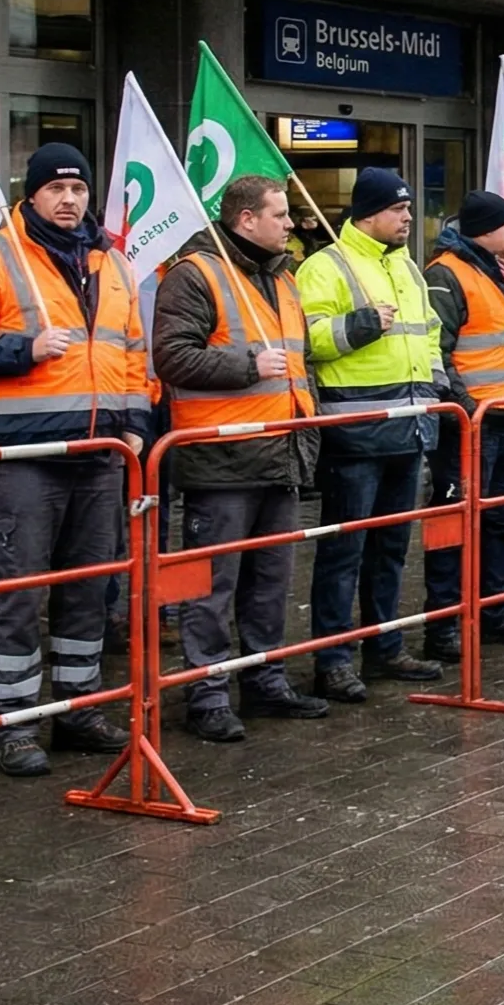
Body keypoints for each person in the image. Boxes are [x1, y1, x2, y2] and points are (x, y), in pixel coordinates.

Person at [0, 143, 149, 775]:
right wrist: (21, 350)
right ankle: (14, 724)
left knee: (89, 590)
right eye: (56, 189)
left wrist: (135, 422)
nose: (69, 199)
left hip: (100, 455)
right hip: (26, 456)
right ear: (32, 194)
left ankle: (78, 709)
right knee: (17, 593)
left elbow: (134, 354)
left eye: (78, 189)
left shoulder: (113, 262)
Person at [150, 175, 333, 743]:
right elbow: (171, 357)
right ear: (246, 219)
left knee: (270, 581)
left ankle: (265, 679)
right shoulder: (195, 274)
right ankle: (206, 693)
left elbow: (301, 365)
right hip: (221, 455)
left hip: (279, 450)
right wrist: (248, 366)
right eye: (280, 214)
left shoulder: (282, 277)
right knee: (212, 584)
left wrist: (305, 433)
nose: (291, 224)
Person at [297, 167, 446, 701]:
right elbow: (306, 338)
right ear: (368, 213)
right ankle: (334, 659)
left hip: (409, 428)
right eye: (397, 209)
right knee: (344, 552)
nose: (408, 217)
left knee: (391, 549)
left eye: (407, 208)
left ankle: (384, 646)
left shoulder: (406, 266)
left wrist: (434, 389)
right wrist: (358, 325)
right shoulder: (324, 266)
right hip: (356, 433)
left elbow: (429, 335)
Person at [421, 190, 504, 656]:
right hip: (471, 424)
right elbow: (438, 350)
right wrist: (466, 405)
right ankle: (444, 624)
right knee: (454, 524)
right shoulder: (447, 274)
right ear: (485, 230)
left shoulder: (502, 272)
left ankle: (496, 611)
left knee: (501, 521)